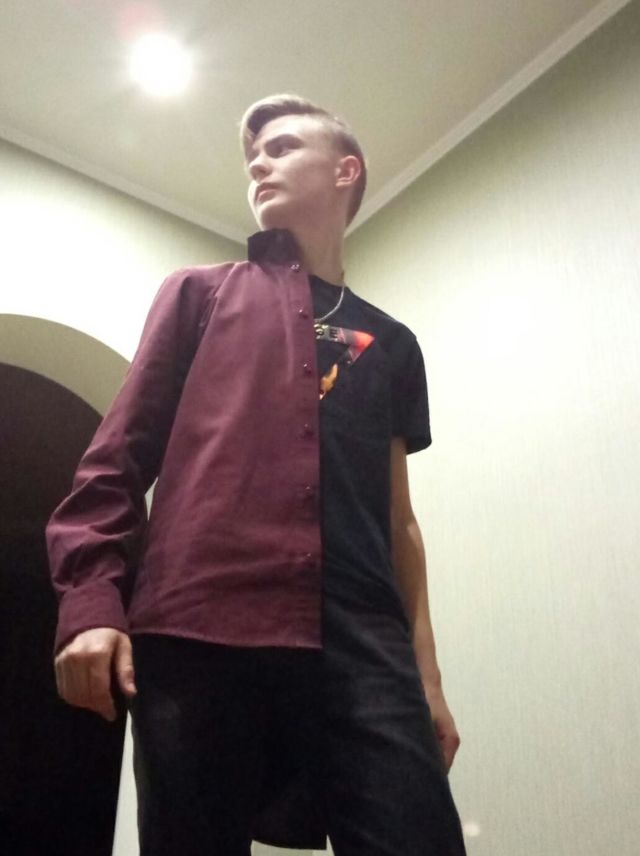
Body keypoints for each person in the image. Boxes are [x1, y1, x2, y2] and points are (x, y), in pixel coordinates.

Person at [46, 94, 467, 856]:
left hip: (361, 642)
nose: (258, 165)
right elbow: (115, 461)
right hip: (197, 628)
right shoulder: (198, 294)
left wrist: (426, 680)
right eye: (252, 157)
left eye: (281, 147)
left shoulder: (394, 343)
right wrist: (90, 603)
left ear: (345, 171)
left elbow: (399, 520)